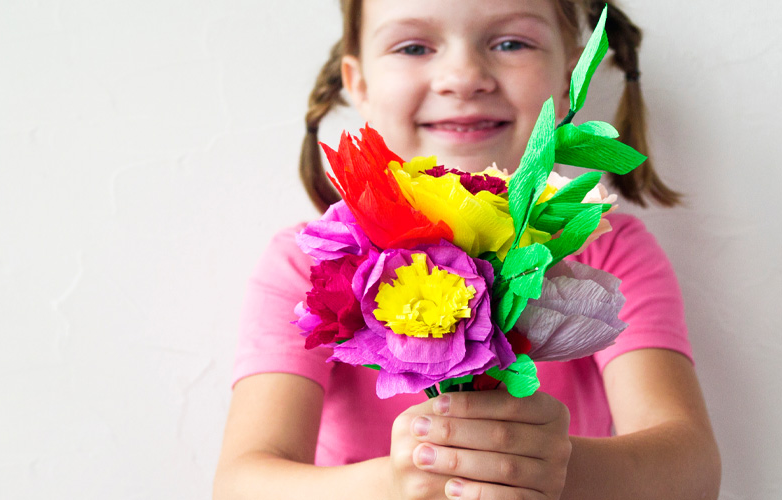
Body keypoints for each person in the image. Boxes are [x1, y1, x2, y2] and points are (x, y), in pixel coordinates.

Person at [214, 0, 721, 499]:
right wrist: (396, 483)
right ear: (359, 84)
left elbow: (692, 468)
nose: (463, 77)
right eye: (414, 46)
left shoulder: (605, 249)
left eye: (510, 43)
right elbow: (242, 483)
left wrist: (552, 468)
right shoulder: (308, 264)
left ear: (568, 76)